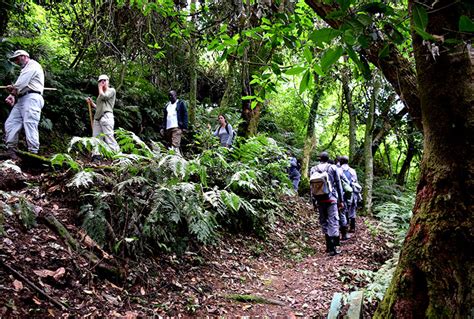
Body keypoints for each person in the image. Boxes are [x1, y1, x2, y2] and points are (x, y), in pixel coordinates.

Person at [2, 50, 44, 159]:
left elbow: (21, 84)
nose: (16, 61)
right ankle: (11, 150)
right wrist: (12, 94)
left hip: (32, 98)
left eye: (17, 58)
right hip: (22, 99)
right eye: (14, 59)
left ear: (24, 56)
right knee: (11, 123)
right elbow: (20, 87)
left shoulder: (33, 65)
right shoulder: (25, 69)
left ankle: (33, 153)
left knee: (30, 123)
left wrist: (12, 90)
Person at [310, 151, 344, 256]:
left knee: (324, 221)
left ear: (319, 159)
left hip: (319, 200)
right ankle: (335, 246)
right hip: (332, 199)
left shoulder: (313, 169)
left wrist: (314, 202)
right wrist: (341, 200)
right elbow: (338, 184)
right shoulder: (333, 168)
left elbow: (311, 187)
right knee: (333, 221)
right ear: (328, 158)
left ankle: (328, 246)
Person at [86, 74, 120, 160]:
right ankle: (96, 156)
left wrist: (100, 88)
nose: (103, 82)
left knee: (109, 137)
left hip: (106, 117)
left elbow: (105, 97)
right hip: (97, 118)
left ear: (108, 82)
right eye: (101, 81)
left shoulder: (111, 90)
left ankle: (117, 156)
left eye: (105, 80)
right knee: (96, 138)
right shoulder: (100, 95)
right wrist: (91, 103)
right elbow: (98, 107)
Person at [340, 156, 360, 233]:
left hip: (342, 193)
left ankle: (345, 227)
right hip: (352, 192)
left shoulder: (339, 170)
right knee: (352, 209)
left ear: (341, 161)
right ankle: (352, 227)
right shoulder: (352, 171)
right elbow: (356, 182)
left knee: (343, 210)